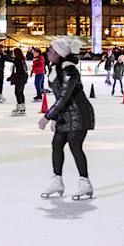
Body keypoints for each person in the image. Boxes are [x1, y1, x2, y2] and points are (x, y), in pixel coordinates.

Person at [38, 37, 95, 200]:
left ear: (58, 54)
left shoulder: (69, 70)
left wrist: (48, 117)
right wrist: (55, 118)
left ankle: (85, 183)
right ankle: (57, 180)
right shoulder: (56, 69)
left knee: (75, 145)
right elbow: (60, 98)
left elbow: (64, 97)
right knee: (56, 144)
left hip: (79, 114)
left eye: (50, 50)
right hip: (65, 115)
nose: (47, 53)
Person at [8, 48, 29, 116]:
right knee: (20, 92)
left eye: (13, 52)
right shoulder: (22, 60)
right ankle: (22, 107)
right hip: (23, 77)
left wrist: (12, 78)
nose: (12, 54)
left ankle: (20, 107)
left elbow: (17, 71)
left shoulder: (17, 60)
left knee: (17, 92)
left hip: (20, 78)